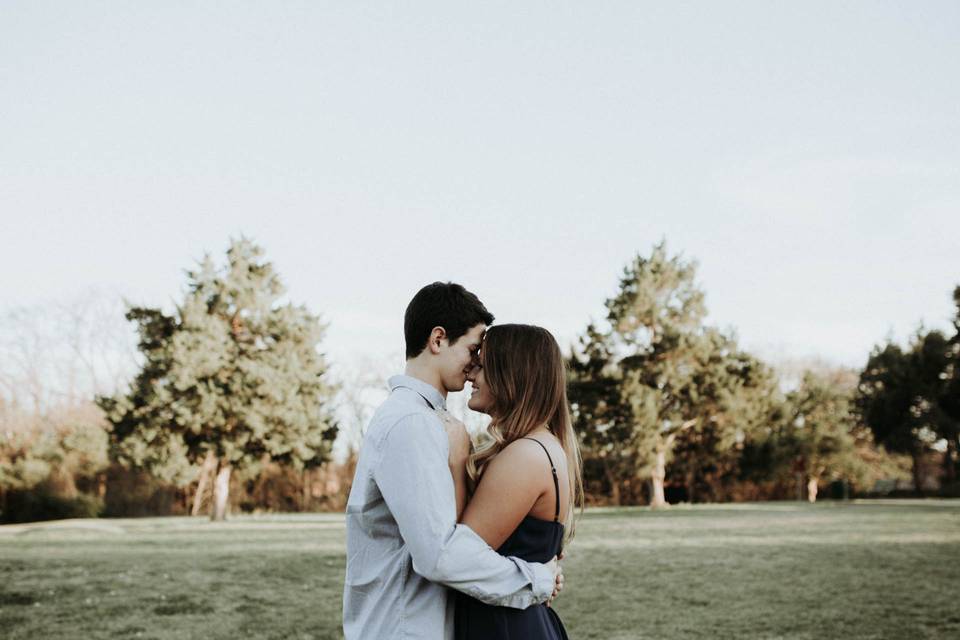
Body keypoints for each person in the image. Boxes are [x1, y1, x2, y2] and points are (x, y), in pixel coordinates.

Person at [343, 283, 562, 640]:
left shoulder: (428, 422)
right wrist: (537, 578)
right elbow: (438, 555)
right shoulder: (411, 424)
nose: (478, 364)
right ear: (438, 339)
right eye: (473, 349)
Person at [452, 323, 584, 640]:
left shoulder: (525, 455)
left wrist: (455, 456)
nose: (471, 375)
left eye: (482, 366)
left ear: (511, 375)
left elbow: (458, 558)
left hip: (504, 628)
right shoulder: (540, 446)